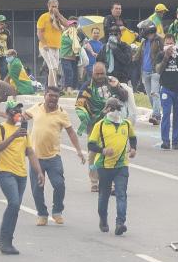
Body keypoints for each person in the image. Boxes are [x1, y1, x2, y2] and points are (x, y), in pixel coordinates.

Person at [25, 85, 85, 227]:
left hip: (53, 157)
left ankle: (57, 211)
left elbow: (71, 132)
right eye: (50, 95)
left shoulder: (62, 113)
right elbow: (21, 117)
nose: (53, 99)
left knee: (59, 185)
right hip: (35, 157)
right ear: (45, 95)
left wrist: (79, 151)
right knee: (37, 188)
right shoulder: (36, 107)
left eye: (56, 97)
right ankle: (42, 214)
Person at [0, 101, 43, 255]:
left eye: (20, 111)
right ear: (8, 113)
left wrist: (39, 171)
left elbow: (30, 153)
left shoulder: (23, 131)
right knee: (13, 203)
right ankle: (6, 241)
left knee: (15, 208)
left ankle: (3, 237)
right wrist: (13, 136)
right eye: (15, 111)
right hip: (5, 172)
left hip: (21, 175)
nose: (18, 114)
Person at [75, 63, 127, 192]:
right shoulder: (87, 86)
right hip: (94, 124)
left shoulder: (112, 82)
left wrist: (116, 89)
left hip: (112, 123)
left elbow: (124, 97)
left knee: (114, 152)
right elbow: (80, 104)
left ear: (105, 72)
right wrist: (84, 116)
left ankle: (114, 184)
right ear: (92, 73)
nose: (99, 76)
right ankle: (94, 182)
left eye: (101, 73)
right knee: (93, 153)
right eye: (97, 74)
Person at [89, 97, 136, 235]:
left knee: (121, 194)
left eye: (115, 109)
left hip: (122, 165)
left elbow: (133, 138)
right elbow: (91, 144)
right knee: (104, 195)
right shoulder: (101, 125)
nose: (112, 112)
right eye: (110, 109)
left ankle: (120, 223)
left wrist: (133, 149)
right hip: (104, 166)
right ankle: (103, 219)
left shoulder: (126, 124)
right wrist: (103, 150)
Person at [37, 0, 66, 87]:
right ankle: (53, 87)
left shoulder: (58, 17)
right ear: (48, 6)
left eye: (56, 7)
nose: (54, 8)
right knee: (53, 66)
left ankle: (51, 87)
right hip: (46, 46)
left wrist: (58, 15)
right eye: (52, 6)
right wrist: (44, 43)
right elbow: (39, 32)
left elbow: (67, 24)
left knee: (54, 68)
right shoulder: (43, 17)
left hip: (56, 46)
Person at [139, 21, 164, 124]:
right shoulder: (144, 42)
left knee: (155, 94)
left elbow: (164, 53)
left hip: (155, 71)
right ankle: (156, 112)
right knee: (150, 95)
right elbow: (139, 54)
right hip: (145, 71)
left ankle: (157, 116)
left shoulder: (159, 41)